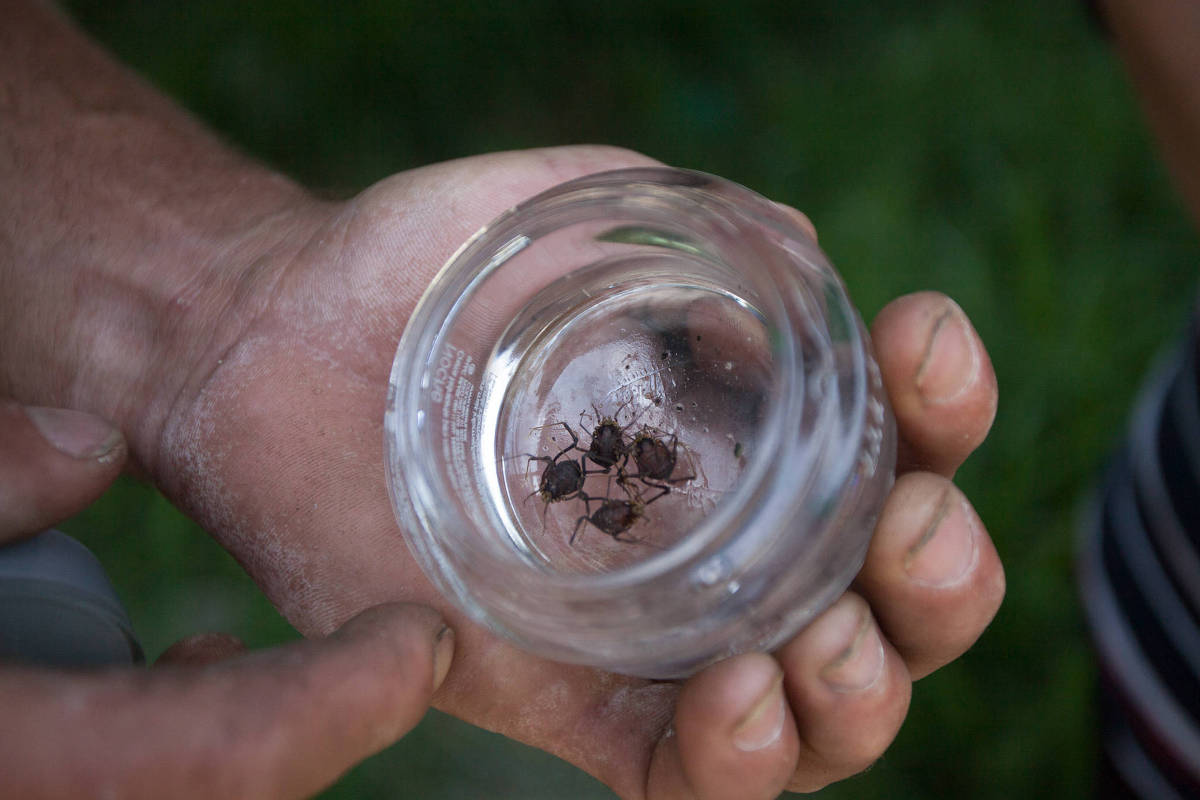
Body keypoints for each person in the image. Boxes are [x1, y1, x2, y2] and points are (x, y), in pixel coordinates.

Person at [0, 2, 1004, 797]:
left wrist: (218, 317)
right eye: (603, 472)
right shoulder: (582, 472)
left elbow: (596, 465)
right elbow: (591, 468)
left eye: (602, 472)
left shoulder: (595, 462)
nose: (612, 473)